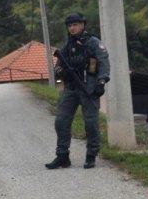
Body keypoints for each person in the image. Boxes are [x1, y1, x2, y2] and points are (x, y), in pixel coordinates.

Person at [45, 12, 110, 170]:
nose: (72, 28)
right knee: (61, 121)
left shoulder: (93, 42)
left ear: (82, 25)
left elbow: (103, 61)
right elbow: (58, 67)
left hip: (89, 87)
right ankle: (62, 156)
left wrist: (102, 81)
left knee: (91, 123)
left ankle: (91, 155)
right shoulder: (67, 46)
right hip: (71, 88)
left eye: (75, 25)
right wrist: (62, 72)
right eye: (69, 26)